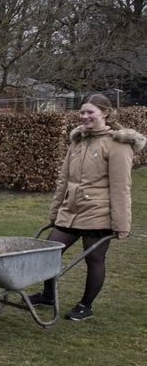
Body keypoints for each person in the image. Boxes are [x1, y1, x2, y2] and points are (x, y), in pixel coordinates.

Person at [28, 93, 145, 321]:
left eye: (90, 112)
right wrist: (55, 213)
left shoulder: (117, 144)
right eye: (82, 112)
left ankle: (86, 305)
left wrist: (122, 224)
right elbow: (64, 180)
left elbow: (121, 187)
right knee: (49, 252)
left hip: (98, 214)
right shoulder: (78, 141)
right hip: (70, 211)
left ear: (105, 113)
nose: (84, 116)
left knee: (94, 259)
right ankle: (48, 295)